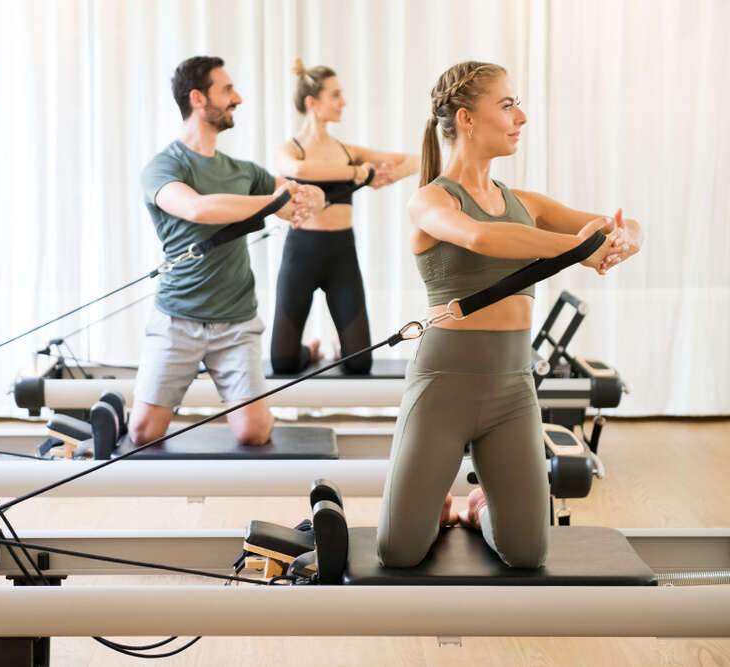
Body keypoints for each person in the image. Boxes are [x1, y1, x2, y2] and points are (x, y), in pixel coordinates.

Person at [377, 61, 643, 568]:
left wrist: (625, 238)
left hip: (512, 389)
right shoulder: (430, 199)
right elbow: (481, 237)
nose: (521, 115)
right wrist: (576, 248)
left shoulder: (526, 203)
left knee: (527, 552)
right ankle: (437, 504)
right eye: (507, 104)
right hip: (442, 387)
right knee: (399, 550)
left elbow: (610, 225)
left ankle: (477, 511)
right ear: (467, 118)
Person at [128, 56, 324, 447]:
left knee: (253, 432)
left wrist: (308, 197)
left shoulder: (243, 171)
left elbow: (305, 192)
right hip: (177, 320)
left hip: (236, 323)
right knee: (142, 433)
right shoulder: (163, 167)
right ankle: (120, 410)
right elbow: (198, 209)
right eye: (227, 90)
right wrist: (274, 203)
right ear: (198, 99)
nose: (239, 98)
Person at [270, 59, 420, 375]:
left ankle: (340, 349)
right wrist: (360, 173)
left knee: (359, 363)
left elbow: (415, 160)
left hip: (341, 256)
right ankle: (310, 351)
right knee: (282, 363)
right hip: (300, 255)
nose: (344, 102)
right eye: (335, 95)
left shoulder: (348, 149)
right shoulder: (292, 150)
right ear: (313, 102)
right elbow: (298, 171)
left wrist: (385, 175)